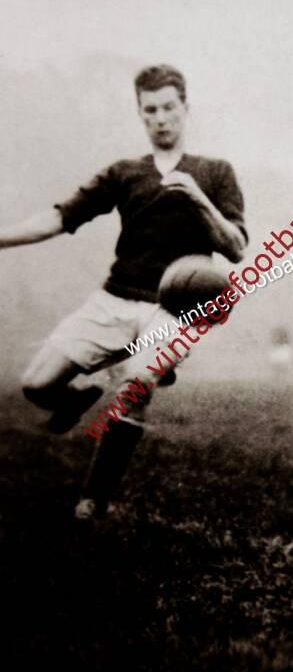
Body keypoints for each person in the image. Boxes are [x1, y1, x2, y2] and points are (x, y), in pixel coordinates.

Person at [0, 63, 247, 517]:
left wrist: (197, 197)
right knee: (36, 385)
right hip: (115, 297)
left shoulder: (215, 172)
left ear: (186, 108)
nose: (161, 118)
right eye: (150, 110)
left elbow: (236, 248)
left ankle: (94, 498)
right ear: (140, 113)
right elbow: (59, 218)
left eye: (169, 107)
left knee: (137, 380)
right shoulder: (125, 172)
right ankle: (80, 395)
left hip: (175, 309)